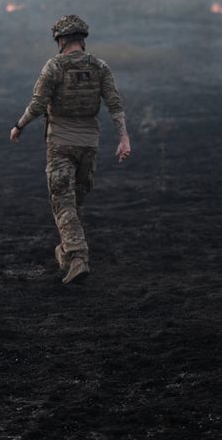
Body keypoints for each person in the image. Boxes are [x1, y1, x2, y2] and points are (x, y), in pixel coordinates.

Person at [10, 14, 131, 285]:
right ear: (82, 40)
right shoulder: (100, 67)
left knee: (63, 203)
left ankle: (77, 257)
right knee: (73, 202)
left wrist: (19, 126)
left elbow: (38, 104)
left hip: (61, 144)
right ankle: (64, 251)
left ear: (61, 40)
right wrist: (124, 137)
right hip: (89, 145)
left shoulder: (53, 67)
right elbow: (115, 103)